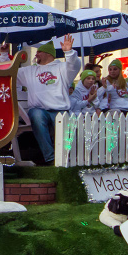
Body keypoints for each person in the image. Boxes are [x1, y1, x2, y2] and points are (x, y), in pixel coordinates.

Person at [15, 35, 81, 165]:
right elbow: (10, 73)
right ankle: (50, 158)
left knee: (64, 131)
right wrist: (4, 55)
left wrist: (68, 52)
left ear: (47, 53)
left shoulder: (61, 68)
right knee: (36, 116)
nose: (36, 54)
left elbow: (74, 65)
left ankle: (65, 160)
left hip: (60, 109)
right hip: (39, 110)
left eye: (39, 52)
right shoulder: (29, 71)